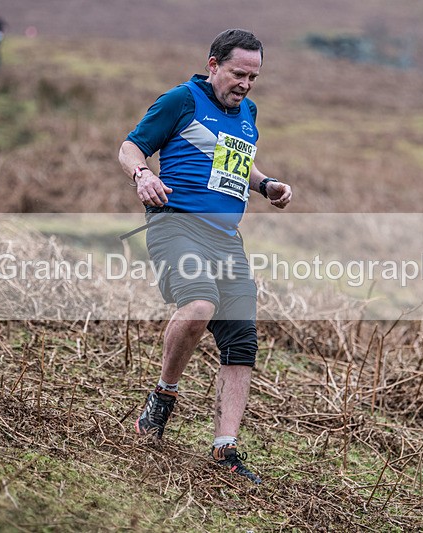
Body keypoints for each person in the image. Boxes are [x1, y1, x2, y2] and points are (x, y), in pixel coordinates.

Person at [118, 29, 292, 485]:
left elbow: (233, 159)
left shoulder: (249, 112)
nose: (246, 84)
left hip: (226, 240)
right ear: (213, 64)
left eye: (254, 76)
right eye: (239, 73)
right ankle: (164, 395)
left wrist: (265, 184)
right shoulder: (182, 99)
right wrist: (141, 175)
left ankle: (225, 449)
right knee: (198, 307)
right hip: (176, 225)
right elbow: (130, 145)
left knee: (242, 343)